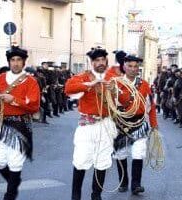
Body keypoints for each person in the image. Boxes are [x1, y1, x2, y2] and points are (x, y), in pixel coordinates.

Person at [65, 47, 118, 200]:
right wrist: (89, 85)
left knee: (102, 161)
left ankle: (96, 195)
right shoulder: (83, 77)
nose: (100, 63)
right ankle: (76, 196)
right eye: (97, 61)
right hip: (87, 125)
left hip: (106, 124)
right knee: (81, 160)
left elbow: (125, 97)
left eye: (103, 60)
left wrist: (114, 90)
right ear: (92, 62)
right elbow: (68, 88)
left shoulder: (112, 78)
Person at [0, 46, 40, 200]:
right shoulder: (0, 78)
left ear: (23, 62)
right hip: (2, 125)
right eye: (13, 60)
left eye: (19, 60)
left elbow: (34, 104)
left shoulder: (31, 81)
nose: (15, 63)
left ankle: (9, 195)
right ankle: (14, 181)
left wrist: (14, 100)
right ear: (9, 62)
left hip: (20, 125)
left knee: (15, 163)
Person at [113, 55, 158, 195]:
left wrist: (154, 124)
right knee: (120, 154)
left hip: (140, 123)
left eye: (135, 66)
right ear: (124, 67)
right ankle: (123, 182)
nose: (133, 69)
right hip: (121, 123)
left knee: (138, 153)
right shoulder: (115, 83)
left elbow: (151, 105)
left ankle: (136, 184)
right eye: (130, 66)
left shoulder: (144, 84)